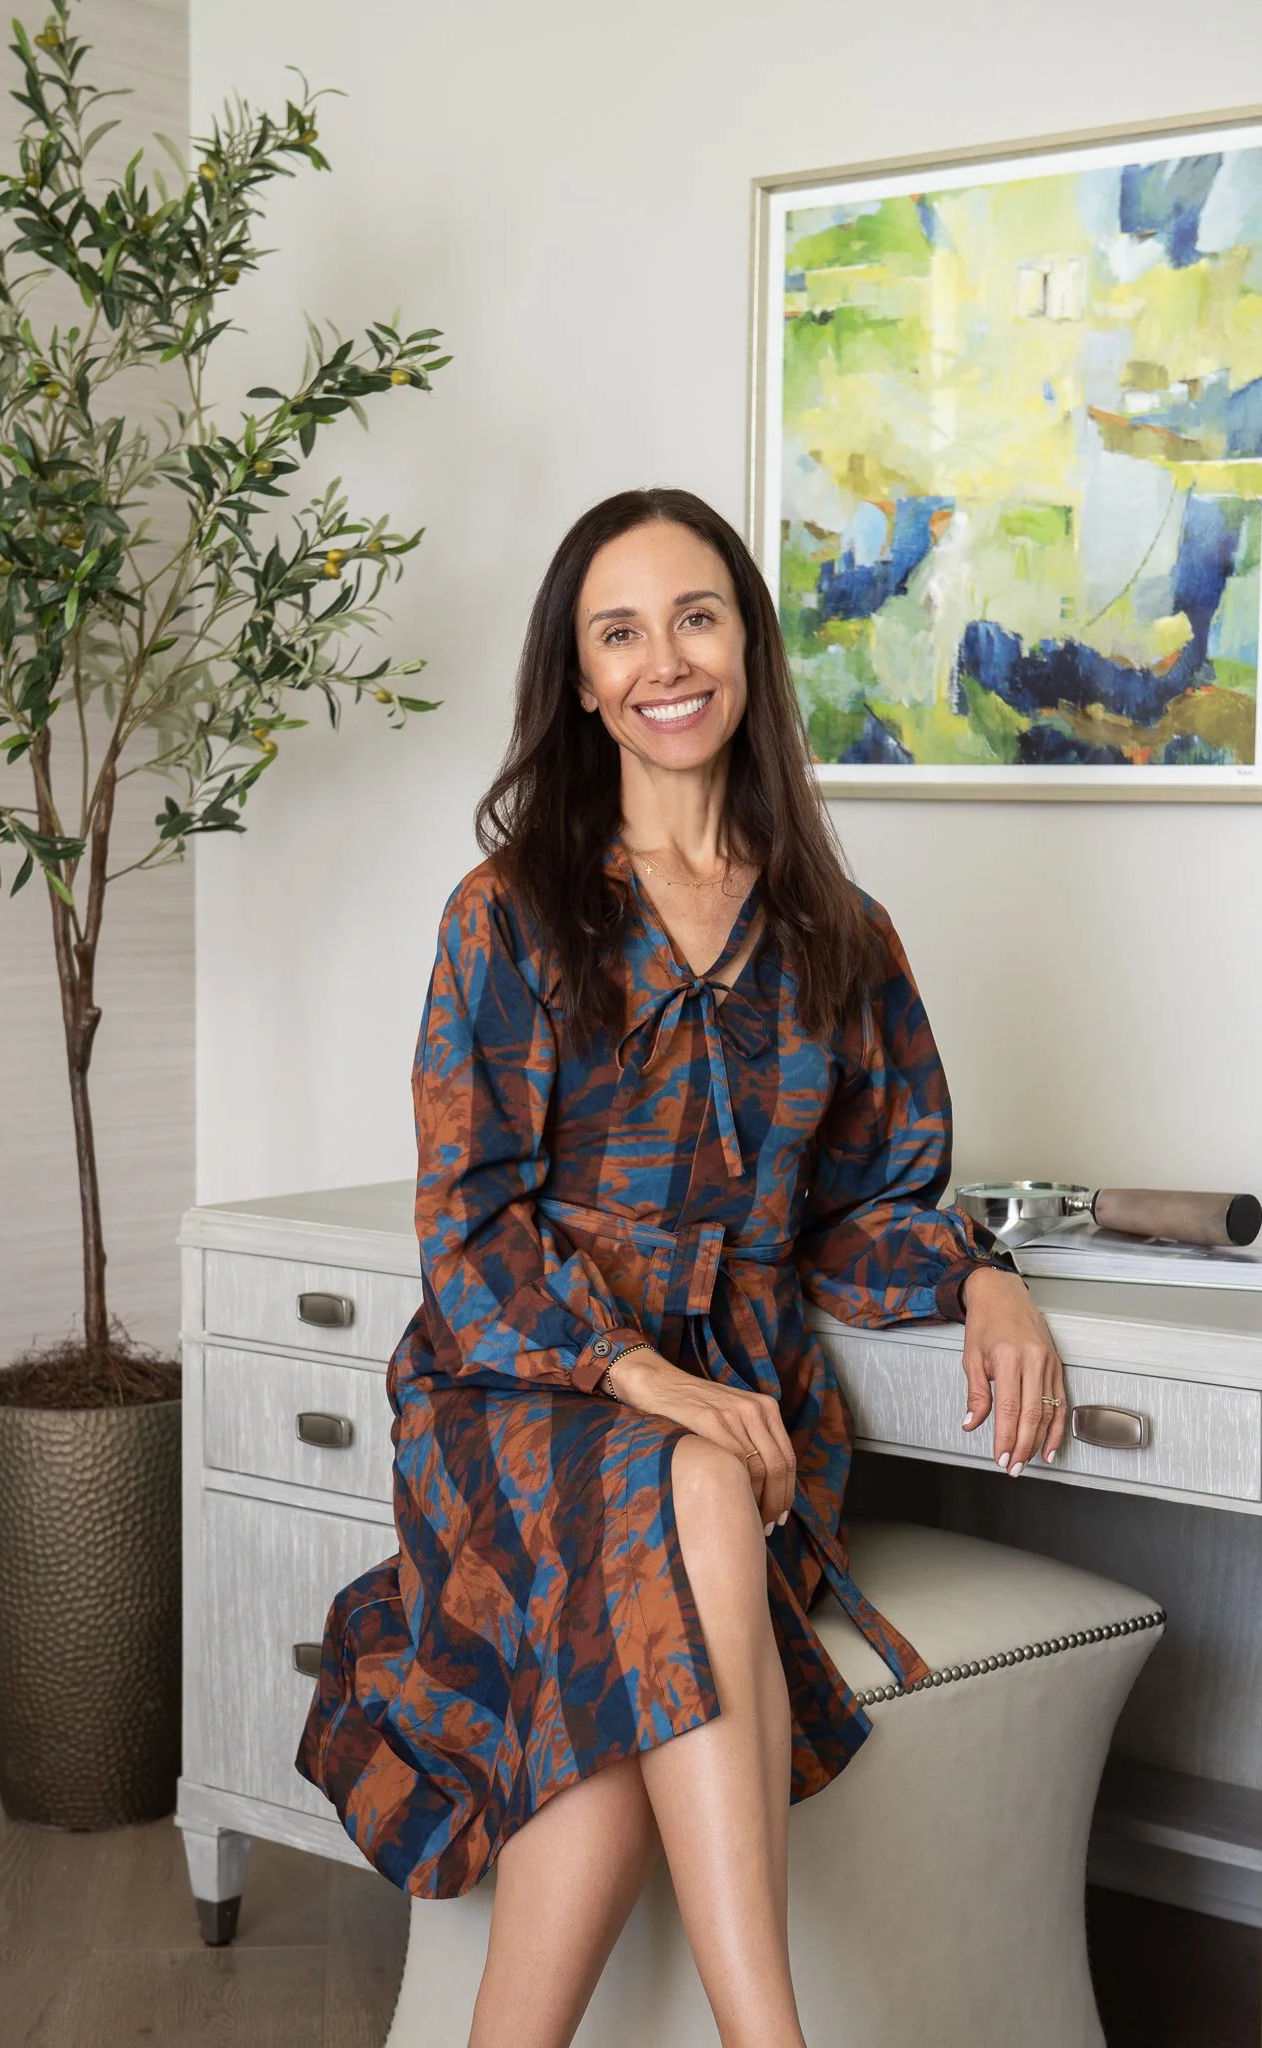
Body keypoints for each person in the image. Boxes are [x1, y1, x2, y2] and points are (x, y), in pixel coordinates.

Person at [296, 487, 1069, 2048]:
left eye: (696, 615)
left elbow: (868, 1201)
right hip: (517, 1393)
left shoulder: (836, 931)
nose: (665, 658)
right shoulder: (505, 913)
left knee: (633, 1631)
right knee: (691, 1487)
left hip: (736, 1404)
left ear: (746, 646)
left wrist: (983, 1275)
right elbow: (469, 1232)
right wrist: (649, 1379)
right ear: (581, 681)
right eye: (620, 630)